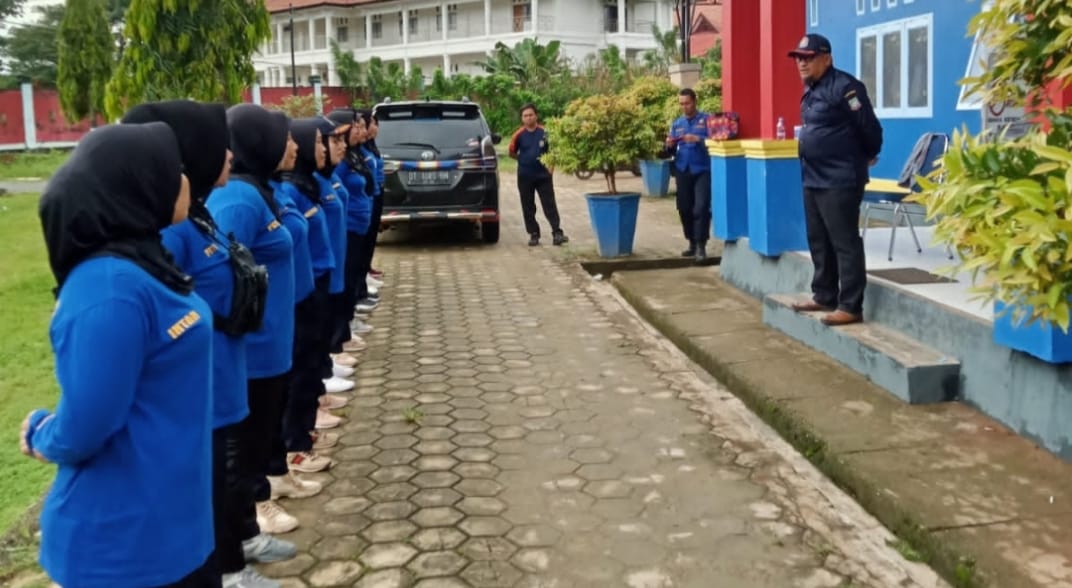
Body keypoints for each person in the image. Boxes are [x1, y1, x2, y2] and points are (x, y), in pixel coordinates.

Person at [25, 123, 216, 587]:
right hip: (122, 545)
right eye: (174, 170)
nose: (185, 180)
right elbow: (87, 424)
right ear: (139, 185)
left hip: (176, 522)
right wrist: (40, 433)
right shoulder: (108, 290)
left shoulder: (147, 262)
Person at [121, 100, 293, 588]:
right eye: (219, 146)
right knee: (219, 480)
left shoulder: (197, 217)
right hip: (206, 386)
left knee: (231, 476)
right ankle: (230, 570)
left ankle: (242, 543)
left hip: (228, 376)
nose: (230, 155)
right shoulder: (172, 231)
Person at [209, 104, 311, 535]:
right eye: (283, 138)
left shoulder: (260, 190)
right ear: (259, 143)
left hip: (273, 339)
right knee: (248, 437)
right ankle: (254, 507)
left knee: (266, 425)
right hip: (254, 345)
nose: (294, 146)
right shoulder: (237, 200)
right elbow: (227, 274)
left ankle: (270, 483)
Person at [789, 33, 883, 326]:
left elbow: (869, 128)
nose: (802, 63)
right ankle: (824, 294)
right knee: (819, 239)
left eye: (808, 58)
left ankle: (851, 306)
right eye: (798, 58)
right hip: (813, 176)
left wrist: (867, 154)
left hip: (840, 178)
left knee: (844, 241)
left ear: (826, 59)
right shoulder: (812, 89)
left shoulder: (846, 88)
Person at [508, 103, 568, 246]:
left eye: (531, 115)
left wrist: (550, 169)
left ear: (536, 116)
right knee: (528, 206)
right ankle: (534, 234)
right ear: (522, 118)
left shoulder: (545, 132)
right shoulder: (518, 135)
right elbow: (511, 152)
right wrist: (523, 160)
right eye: (525, 116)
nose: (528, 118)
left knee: (549, 204)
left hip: (543, 176)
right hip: (525, 176)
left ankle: (557, 232)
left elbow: (553, 151)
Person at [665, 88, 711, 261]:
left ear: (695, 102)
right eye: (681, 104)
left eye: (687, 103)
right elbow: (670, 150)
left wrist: (699, 140)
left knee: (701, 207)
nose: (685, 107)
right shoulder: (677, 124)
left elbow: (716, 141)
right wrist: (668, 144)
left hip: (702, 170)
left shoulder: (707, 120)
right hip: (683, 169)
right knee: (684, 208)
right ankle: (691, 242)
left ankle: (701, 245)